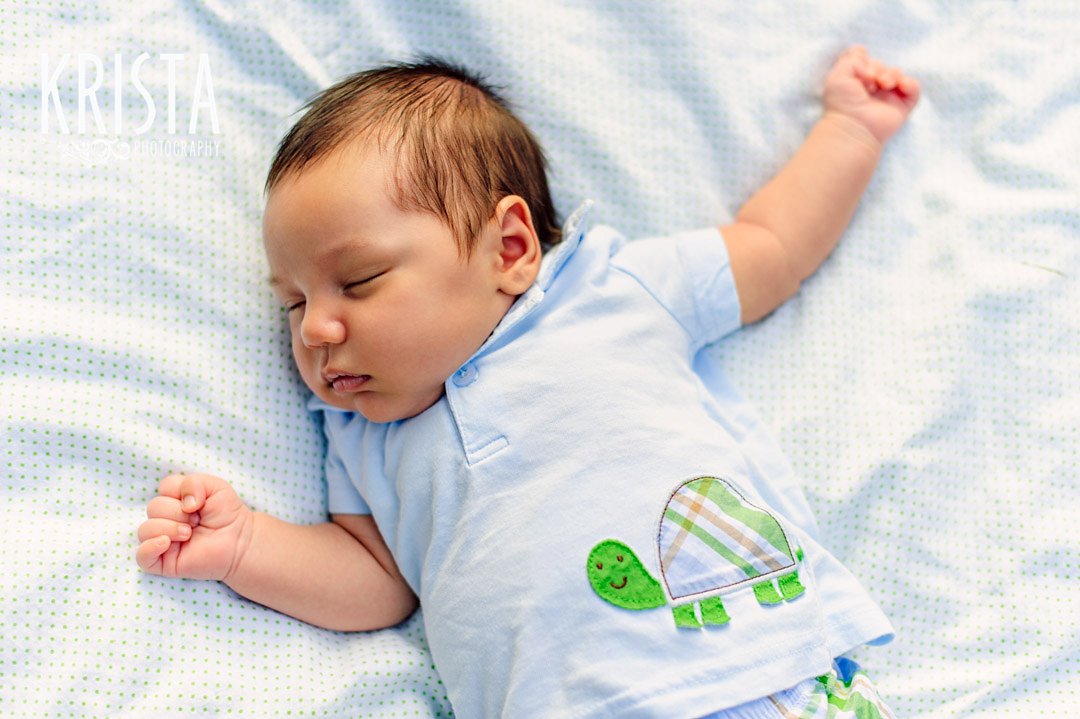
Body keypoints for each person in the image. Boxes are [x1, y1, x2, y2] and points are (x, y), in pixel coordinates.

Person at [136, 46, 919, 718]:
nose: (314, 330)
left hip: (755, 674)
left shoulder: (613, 290)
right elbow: (376, 584)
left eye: (361, 279)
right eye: (295, 302)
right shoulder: (362, 433)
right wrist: (245, 547)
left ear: (509, 247)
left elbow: (771, 243)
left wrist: (850, 129)